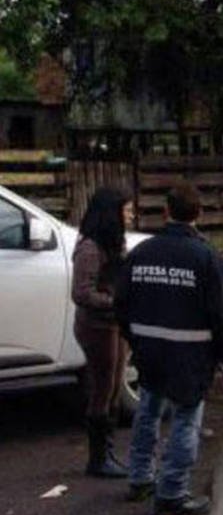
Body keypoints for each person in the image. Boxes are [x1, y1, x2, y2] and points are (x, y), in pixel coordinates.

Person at [115, 182, 223, 515]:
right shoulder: (209, 259)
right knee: (186, 420)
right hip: (190, 358)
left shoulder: (140, 253)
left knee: (148, 411)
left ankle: (140, 478)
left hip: (149, 353)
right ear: (199, 214)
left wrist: (137, 340)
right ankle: (171, 493)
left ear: (165, 212)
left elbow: (121, 303)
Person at [72, 187, 135, 479]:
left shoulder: (114, 243)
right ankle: (98, 459)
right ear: (112, 213)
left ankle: (106, 452)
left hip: (113, 323)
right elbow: (82, 293)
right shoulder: (90, 247)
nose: (131, 214)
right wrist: (115, 302)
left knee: (112, 388)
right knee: (102, 387)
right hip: (96, 325)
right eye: (126, 209)